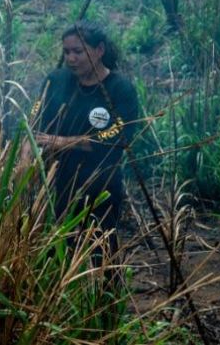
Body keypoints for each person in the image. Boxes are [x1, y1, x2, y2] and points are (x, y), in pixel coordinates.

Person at [29, 21, 140, 258]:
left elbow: (117, 138)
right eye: (67, 52)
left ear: (99, 50)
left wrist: (61, 141)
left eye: (78, 52)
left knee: (102, 250)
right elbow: (36, 123)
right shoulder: (56, 81)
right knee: (55, 249)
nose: (71, 59)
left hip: (101, 184)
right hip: (58, 181)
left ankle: (106, 293)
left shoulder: (120, 89)